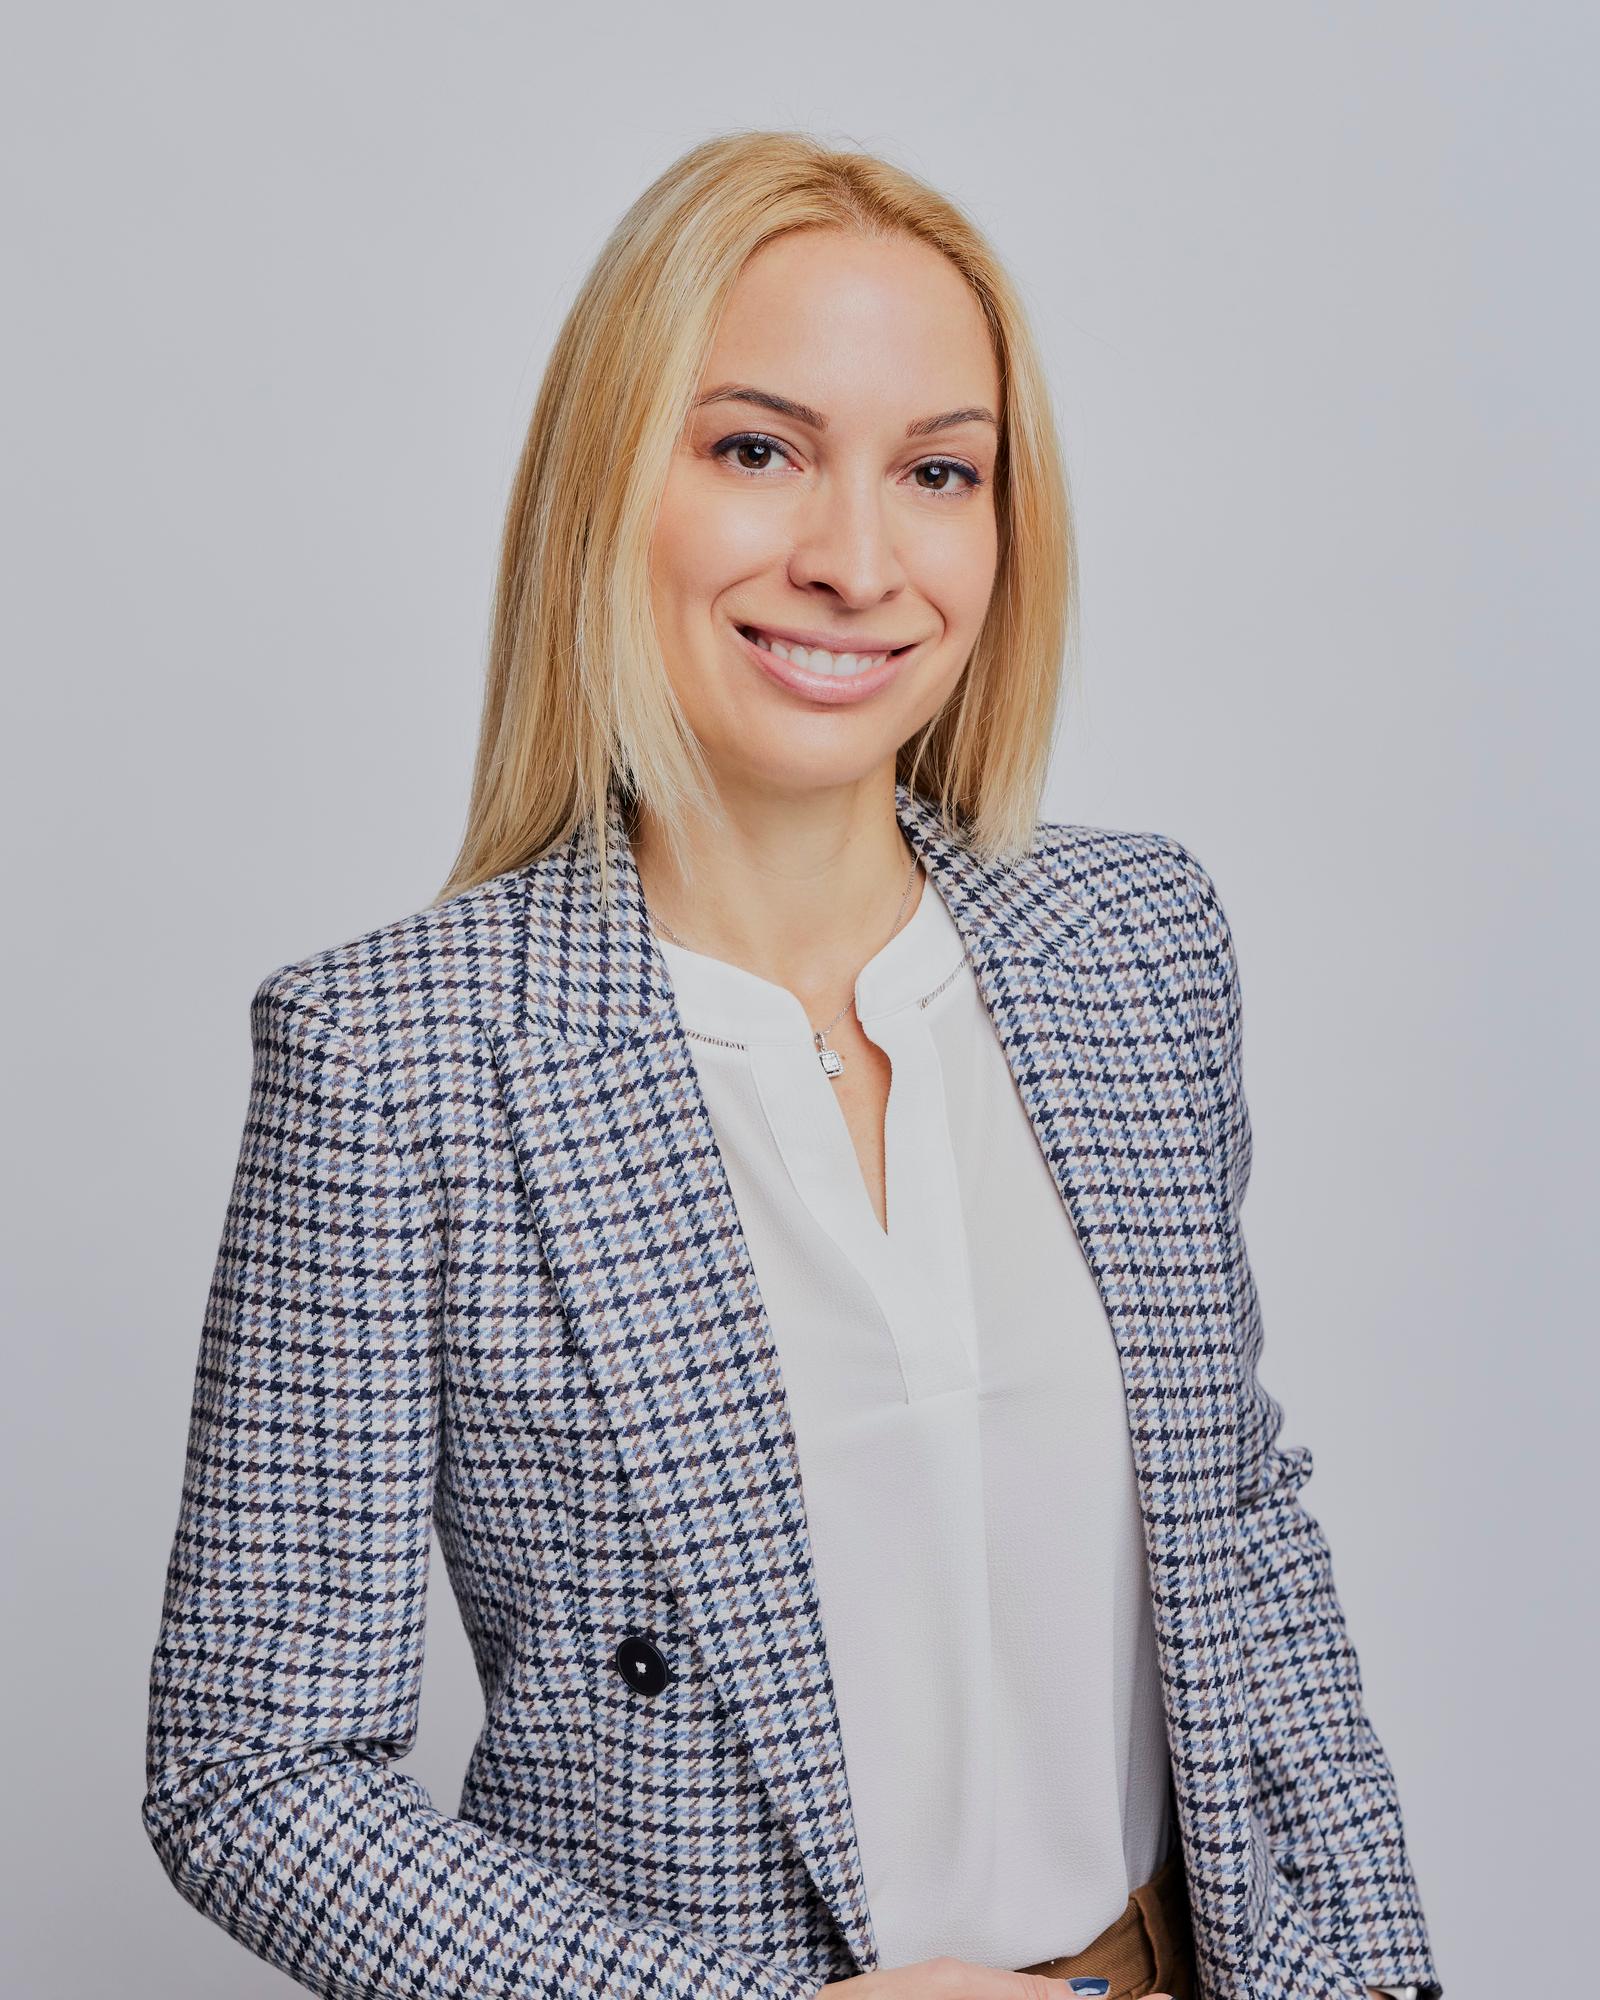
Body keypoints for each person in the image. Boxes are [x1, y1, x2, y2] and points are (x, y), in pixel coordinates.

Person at [139, 130, 1443, 2000]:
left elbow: (1237, 1536)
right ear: (612, 485)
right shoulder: (398, 1057)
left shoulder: (1133, 948)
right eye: (758, 450)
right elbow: (252, 1771)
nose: (854, 561)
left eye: (938, 472)